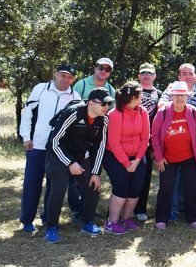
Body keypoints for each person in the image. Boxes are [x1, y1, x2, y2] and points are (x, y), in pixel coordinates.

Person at [43, 87, 111, 244]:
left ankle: (88, 222)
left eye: (109, 104)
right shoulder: (73, 113)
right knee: (59, 188)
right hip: (59, 155)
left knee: (93, 185)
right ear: (91, 103)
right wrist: (70, 162)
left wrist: (96, 173)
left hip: (81, 157)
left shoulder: (104, 119)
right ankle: (51, 227)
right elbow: (53, 142)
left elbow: (99, 147)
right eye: (103, 104)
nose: (106, 107)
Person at [18, 64, 80, 232]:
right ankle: (27, 220)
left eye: (70, 77)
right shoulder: (40, 89)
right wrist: (26, 137)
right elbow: (27, 114)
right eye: (63, 75)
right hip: (37, 145)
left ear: (73, 80)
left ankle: (48, 218)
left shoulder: (75, 96)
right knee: (32, 183)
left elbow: (75, 125)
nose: (65, 79)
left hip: (58, 149)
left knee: (54, 186)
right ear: (56, 74)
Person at [151, 81, 196, 230]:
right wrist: (159, 157)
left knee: (192, 187)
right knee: (166, 187)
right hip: (167, 158)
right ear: (171, 96)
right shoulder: (162, 113)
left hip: (190, 156)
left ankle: (193, 218)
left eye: (182, 95)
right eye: (176, 95)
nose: (179, 98)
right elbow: (155, 136)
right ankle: (161, 218)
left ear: (187, 96)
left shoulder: (193, 112)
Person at [69, 58, 115, 218]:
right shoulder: (81, 85)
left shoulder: (110, 90)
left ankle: (87, 208)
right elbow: (71, 108)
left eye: (107, 70)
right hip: (76, 137)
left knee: (90, 175)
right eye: (101, 68)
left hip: (94, 137)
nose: (103, 71)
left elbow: (109, 114)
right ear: (95, 68)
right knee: (74, 178)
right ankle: (76, 210)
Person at [103, 82, 150, 234]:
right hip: (115, 157)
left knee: (135, 189)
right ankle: (112, 222)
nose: (143, 96)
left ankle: (126, 218)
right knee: (121, 188)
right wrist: (126, 163)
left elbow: (145, 138)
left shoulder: (143, 112)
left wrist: (137, 160)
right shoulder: (115, 114)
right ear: (133, 97)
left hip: (137, 157)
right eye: (141, 94)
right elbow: (114, 143)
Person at [135, 63, 161, 222]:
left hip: (149, 141)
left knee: (145, 176)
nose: (146, 75)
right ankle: (124, 206)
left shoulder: (159, 93)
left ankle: (140, 208)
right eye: (143, 72)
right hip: (131, 139)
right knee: (127, 174)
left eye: (150, 73)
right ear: (139, 75)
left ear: (154, 76)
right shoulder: (132, 90)